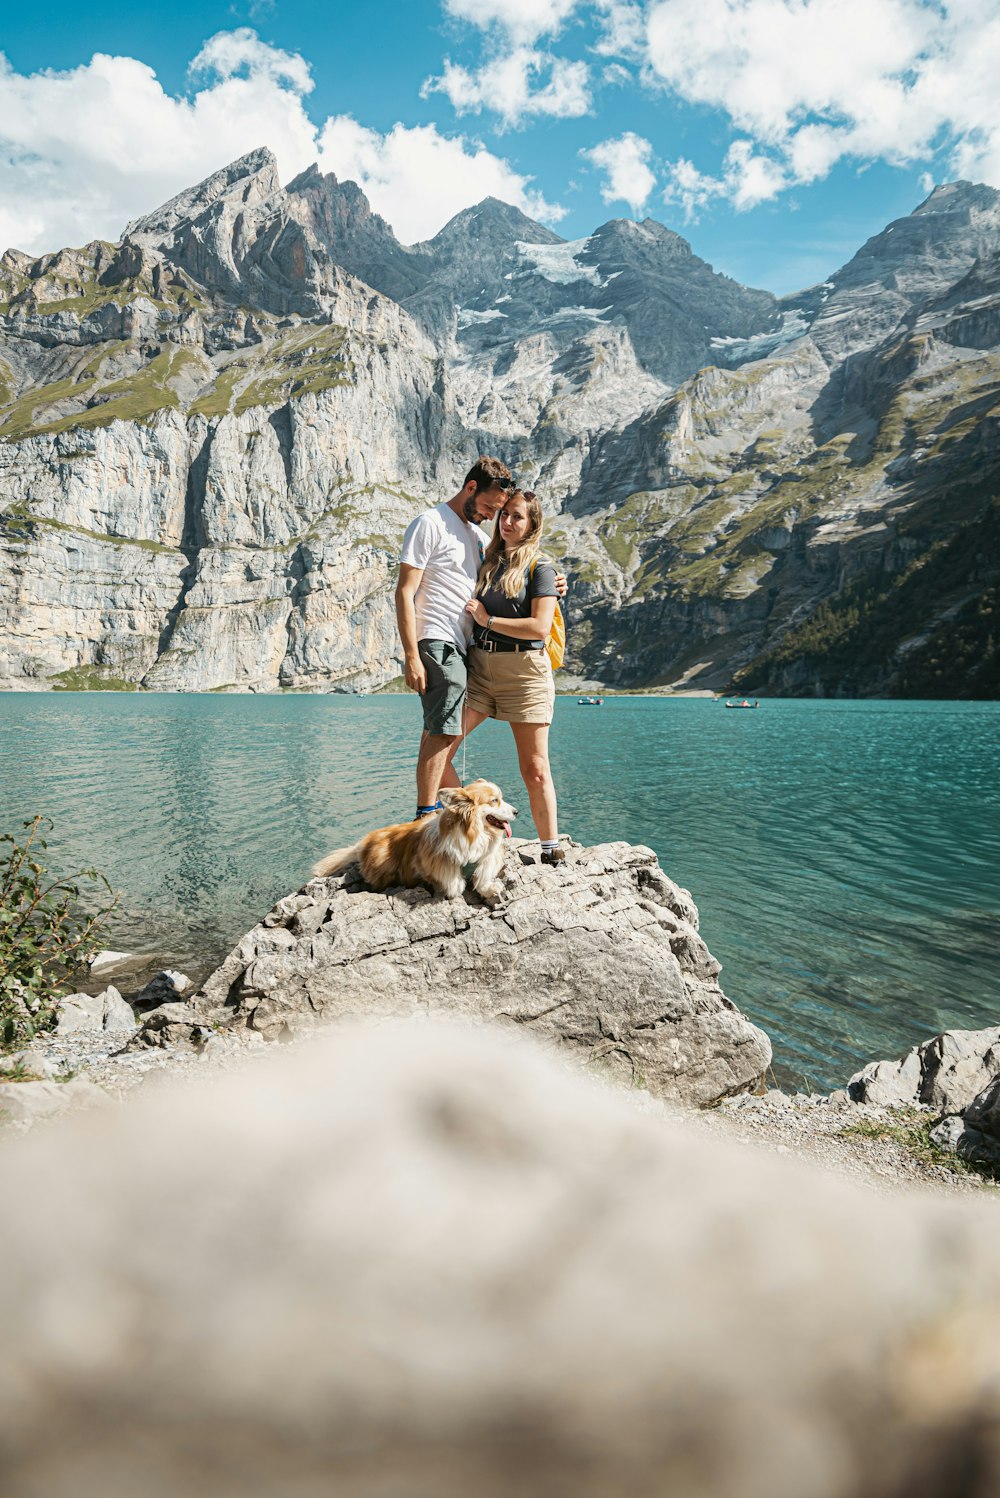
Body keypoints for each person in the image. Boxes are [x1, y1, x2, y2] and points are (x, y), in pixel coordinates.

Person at [396, 456, 513, 821]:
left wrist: (557, 582)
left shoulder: (477, 536)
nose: (491, 516)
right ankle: (426, 816)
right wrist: (411, 655)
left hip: (462, 647)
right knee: (444, 731)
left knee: (438, 730)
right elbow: (404, 591)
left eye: (498, 511)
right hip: (435, 637)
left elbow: (517, 573)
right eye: (489, 507)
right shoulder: (430, 523)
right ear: (471, 488)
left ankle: (430, 812)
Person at [462, 489, 566, 867]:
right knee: (442, 741)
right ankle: (459, 823)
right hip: (481, 669)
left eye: (517, 516)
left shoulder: (541, 569)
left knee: (534, 767)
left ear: (532, 524)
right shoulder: (486, 561)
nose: (507, 521)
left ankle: (550, 846)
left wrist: (487, 620)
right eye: (503, 514)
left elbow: (539, 628)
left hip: (525, 674)